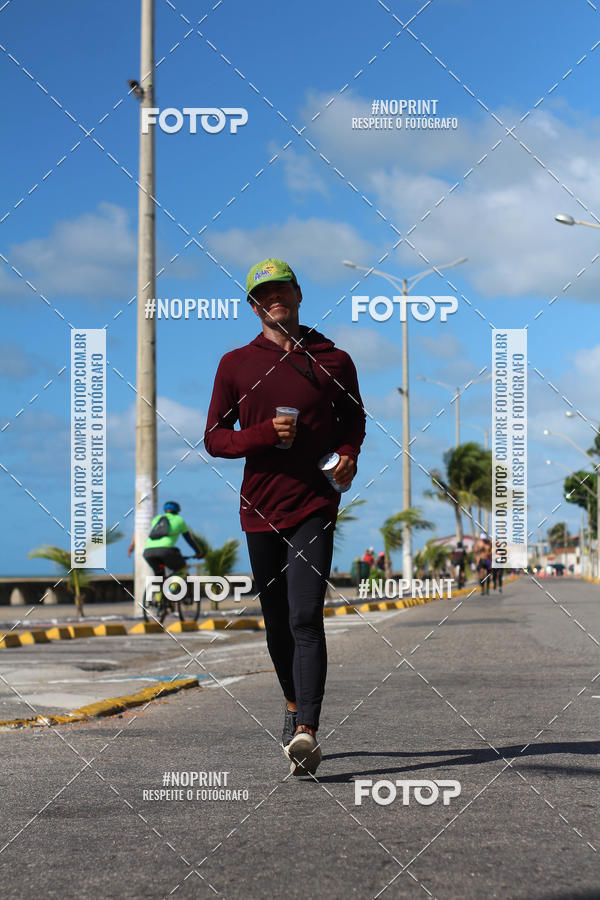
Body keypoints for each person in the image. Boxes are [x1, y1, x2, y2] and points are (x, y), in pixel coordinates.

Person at [204, 258, 366, 776]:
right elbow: (214, 438)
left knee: (304, 616)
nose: (275, 298)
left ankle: (307, 730)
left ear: (298, 294)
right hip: (259, 508)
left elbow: (354, 420)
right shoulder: (235, 364)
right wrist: (261, 437)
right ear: (254, 305)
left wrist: (348, 454)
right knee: (276, 623)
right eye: (264, 293)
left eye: (283, 289)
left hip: (315, 503)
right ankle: (293, 707)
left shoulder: (333, 360)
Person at [130, 501, 203, 577]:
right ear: (177, 511)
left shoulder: (156, 519)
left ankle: (158, 587)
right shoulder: (179, 519)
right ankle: (174, 588)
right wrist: (198, 552)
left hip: (148, 552)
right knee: (181, 570)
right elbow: (188, 539)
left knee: (159, 575)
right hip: (166, 551)